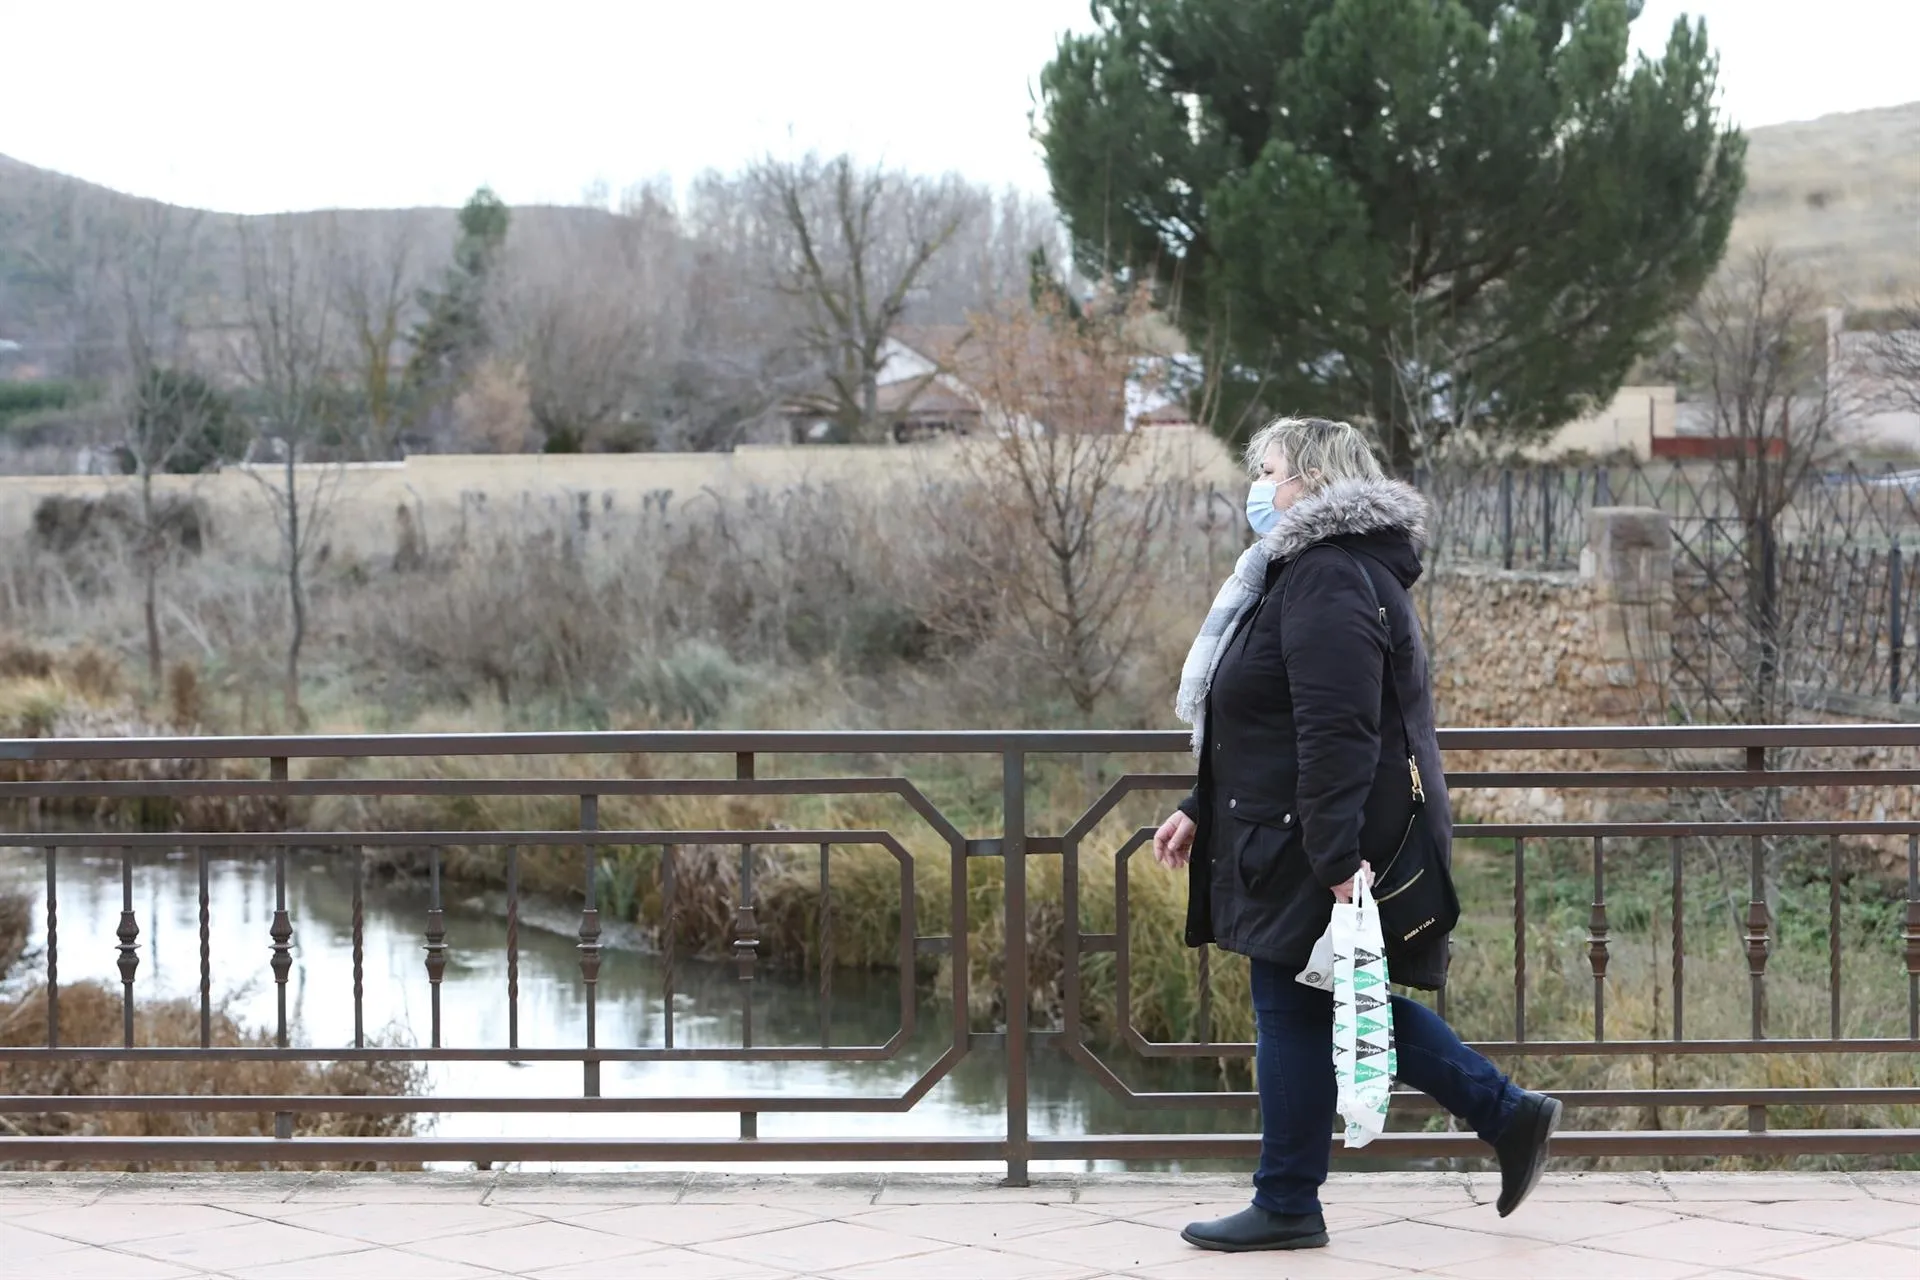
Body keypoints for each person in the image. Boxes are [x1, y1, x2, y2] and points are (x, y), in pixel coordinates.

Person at [1154, 416, 1561, 1253]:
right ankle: (1498, 1116)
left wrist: (1337, 858)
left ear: (1309, 480)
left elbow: (1338, 729)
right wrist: (1201, 802)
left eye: (1268, 470)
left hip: (1312, 837)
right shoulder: (1307, 570)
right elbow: (1262, 715)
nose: (1258, 487)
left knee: (1294, 1006)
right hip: (1290, 828)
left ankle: (1292, 1199)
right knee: (1322, 1000)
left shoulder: (1328, 576)